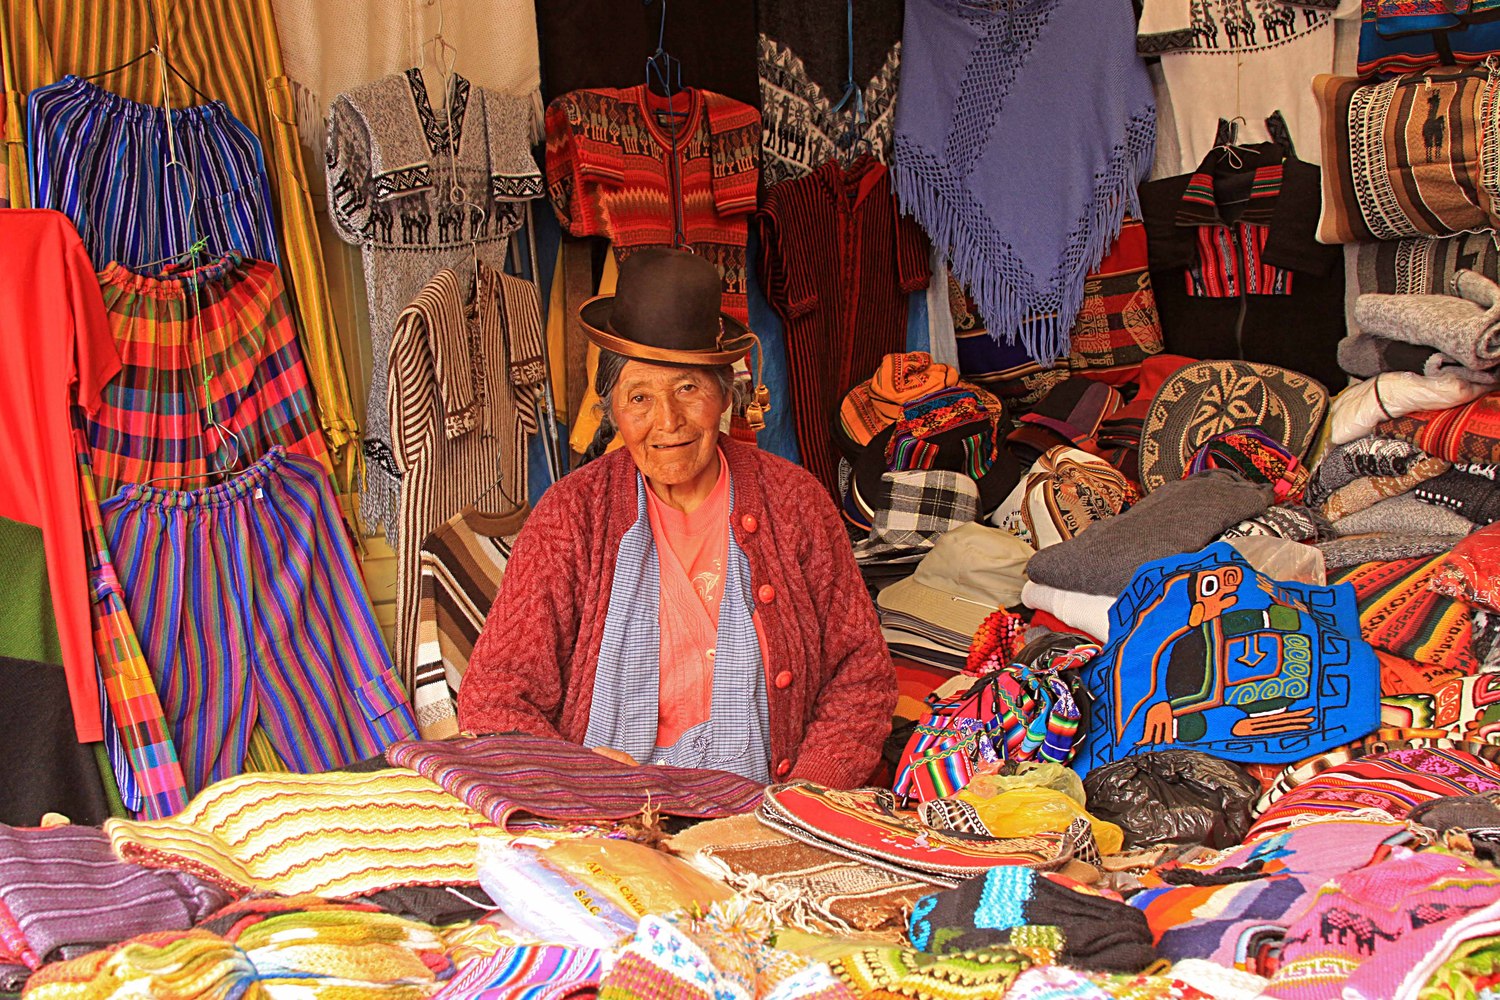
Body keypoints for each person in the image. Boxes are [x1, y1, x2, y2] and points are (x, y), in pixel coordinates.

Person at [458, 248, 896, 786]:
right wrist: (580, 775)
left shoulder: (795, 503)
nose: (667, 421)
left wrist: (806, 797)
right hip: (609, 814)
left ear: (722, 395)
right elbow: (497, 697)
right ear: (612, 409)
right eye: (639, 396)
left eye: (688, 387)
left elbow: (861, 675)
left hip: (772, 811)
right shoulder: (571, 516)